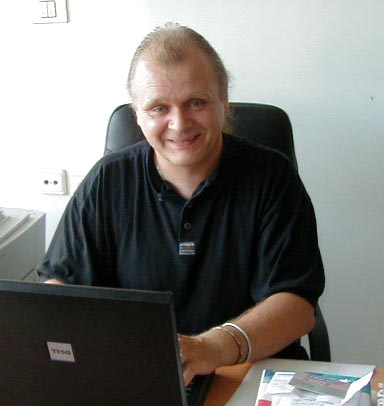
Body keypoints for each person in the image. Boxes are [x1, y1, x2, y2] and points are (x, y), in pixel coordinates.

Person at [38, 23, 325, 385]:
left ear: (224, 101)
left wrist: (212, 348)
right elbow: (59, 286)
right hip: (139, 377)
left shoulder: (272, 177)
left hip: (250, 376)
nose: (179, 124)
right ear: (137, 115)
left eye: (196, 103)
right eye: (159, 108)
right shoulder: (106, 180)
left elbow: (297, 306)